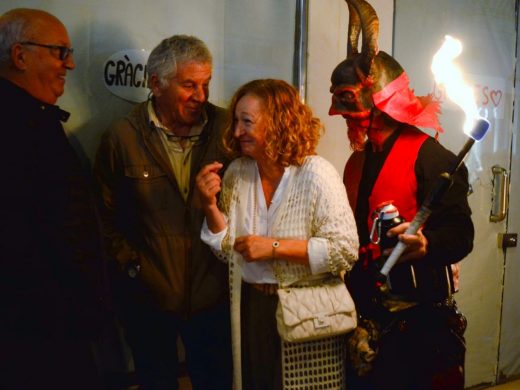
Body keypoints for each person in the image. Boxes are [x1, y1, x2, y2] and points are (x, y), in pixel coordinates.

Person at [328, 1, 474, 389]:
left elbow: (461, 234)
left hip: (420, 326)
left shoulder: (432, 157)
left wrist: (426, 245)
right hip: (366, 319)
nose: (342, 116)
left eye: (349, 107)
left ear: (381, 103)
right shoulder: (357, 161)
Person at [195, 78, 359, 389]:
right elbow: (226, 250)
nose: (237, 132)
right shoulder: (238, 173)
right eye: (236, 121)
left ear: (279, 122)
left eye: (247, 122)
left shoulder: (316, 174)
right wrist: (208, 205)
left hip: (307, 312)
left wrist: (273, 247)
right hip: (252, 309)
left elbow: (344, 249)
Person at [94, 35, 232, 389]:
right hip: (149, 300)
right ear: (156, 84)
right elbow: (103, 217)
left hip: (213, 299)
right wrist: (133, 265)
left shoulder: (226, 131)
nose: (201, 96)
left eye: (205, 84)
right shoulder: (122, 138)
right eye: (189, 85)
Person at [0, 8, 109, 390]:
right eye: (60, 52)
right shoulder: (17, 126)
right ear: (20, 56)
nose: (72, 64)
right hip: (34, 335)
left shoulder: (37, 119)